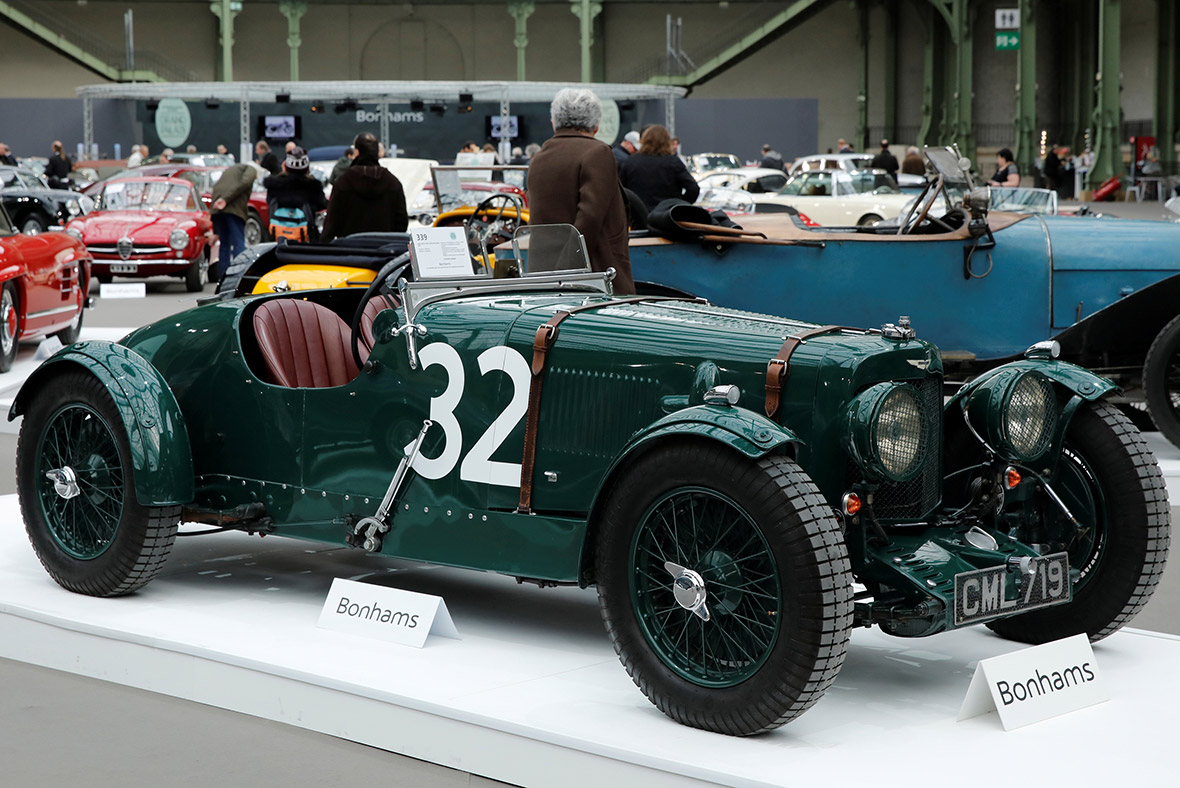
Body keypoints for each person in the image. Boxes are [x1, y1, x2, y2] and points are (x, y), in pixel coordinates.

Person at [528, 88, 634, 294]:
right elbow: (590, 219)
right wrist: (567, 273)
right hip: (591, 277)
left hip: (542, 275)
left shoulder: (539, 157)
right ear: (596, 125)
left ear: (554, 122)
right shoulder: (598, 153)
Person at [321, 132, 408, 242]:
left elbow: (331, 222)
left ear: (356, 152)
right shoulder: (392, 182)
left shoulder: (344, 182)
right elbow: (401, 222)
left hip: (350, 252)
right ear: (378, 152)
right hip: (385, 252)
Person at [618, 124, 700, 211]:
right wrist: (679, 204)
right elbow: (693, 188)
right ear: (667, 142)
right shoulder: (673, 162)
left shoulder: (630, 161)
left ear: (643, 141)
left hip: (638, 215)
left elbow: (621, 190)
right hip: (666, 215)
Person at [263, 146, 327, 242]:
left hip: (278, 238)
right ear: (306, 167)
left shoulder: (274, 185)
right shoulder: (312, 186)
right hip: (305, 238)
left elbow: (269, 203)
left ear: (286, 165)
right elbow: (321, 204)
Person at [208, 162, 257, 283]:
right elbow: (245, 183)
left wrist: (215, 230)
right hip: (233, 208)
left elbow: (216, 191)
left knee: (224, 245)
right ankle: (238, 277)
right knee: (238, 243)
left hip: (218, 210)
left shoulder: (229, 172)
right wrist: (226, 199)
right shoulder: (251, 169)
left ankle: (223, 279)